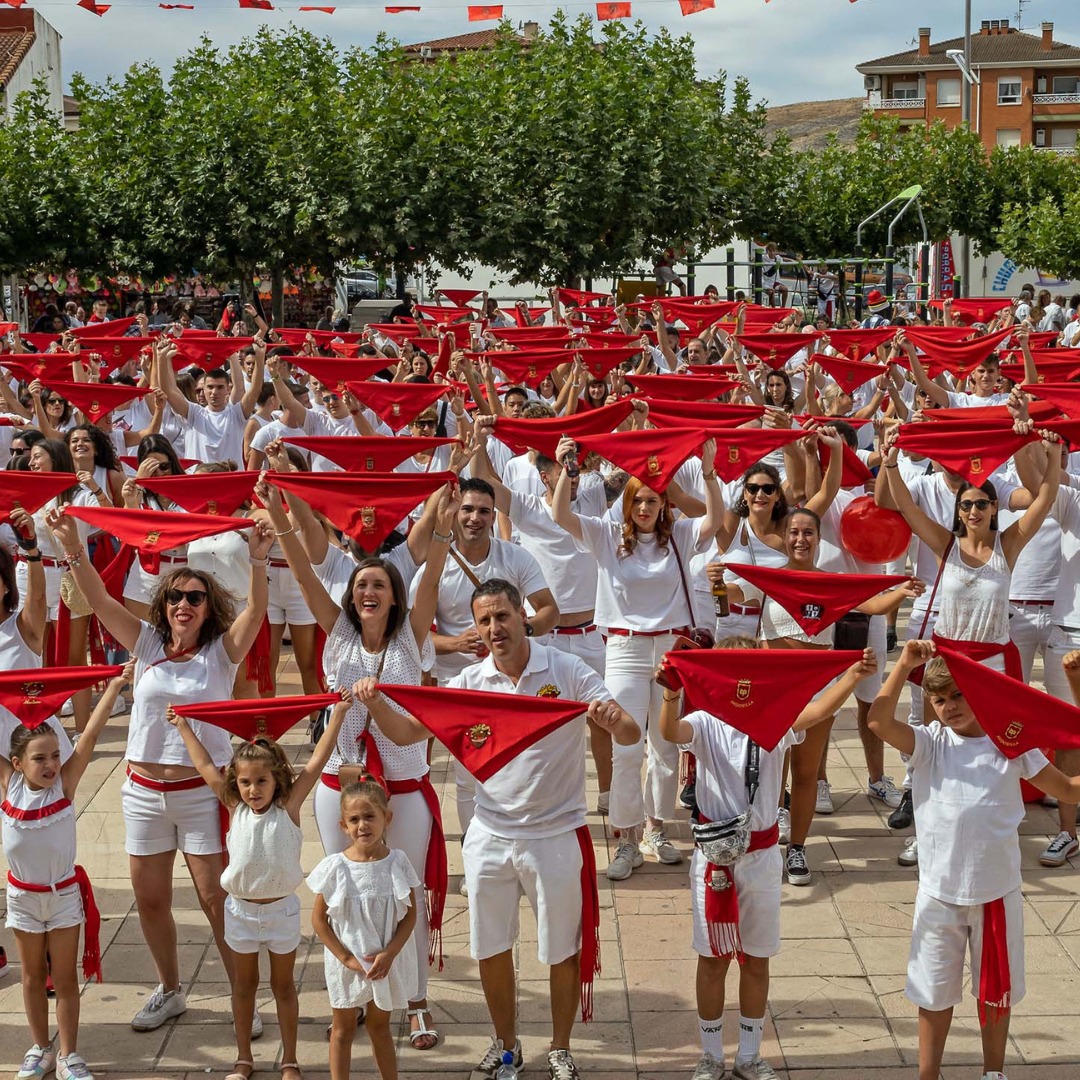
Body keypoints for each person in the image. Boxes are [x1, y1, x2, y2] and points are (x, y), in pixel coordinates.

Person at [355, 579, 640, 1080]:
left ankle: (560, 1050)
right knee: (490, 948)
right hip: (489, 834)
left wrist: (613, 720)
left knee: (561, 950)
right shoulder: (469, 683)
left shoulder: (567, 669)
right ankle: (507, 1047)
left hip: (555, 834)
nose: (494, 628)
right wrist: (375, 702)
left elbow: (631, 731)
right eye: (484, 621)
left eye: (502, 616)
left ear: (522, 617)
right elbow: (405, 733)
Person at [45, 506, 274, 1033]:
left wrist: (260, 559)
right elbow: (99, 600)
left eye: (195, 597)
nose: (184, 604)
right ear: (163, 605)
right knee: (150, 901)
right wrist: (72, 546)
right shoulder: (145, 642)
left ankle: (244, 997)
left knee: (216, 900)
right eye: (175, 597)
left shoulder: (222, 652)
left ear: (208, 606)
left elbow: (258, 610)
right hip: (143, 793)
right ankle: (170, 990)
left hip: (202, 795)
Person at [259, 477, 456, 1050]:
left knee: (405, 893)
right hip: (339, 784)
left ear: (394, 596)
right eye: (361, 584)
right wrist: (279, 513)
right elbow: (302, 574)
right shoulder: (338, 630)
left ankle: (415, 1003)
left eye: (379, 584)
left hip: (403, 786)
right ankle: (353, 998)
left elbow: (431, 575)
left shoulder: (411, 635)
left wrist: (443, 522)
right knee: (344, 890)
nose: (368, 590)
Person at [658, 637, 877, 1080]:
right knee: (712, 958)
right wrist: (670, 693)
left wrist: (854, 675)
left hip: (761, 858)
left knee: (756, 959)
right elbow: (669, 733)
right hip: (714, 860)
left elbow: (819, 711)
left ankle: (749, 1056)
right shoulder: (705, 721)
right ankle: (711, 1056)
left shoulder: (776, 720)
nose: (741, 685)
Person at [867, 641, 1080, 1080]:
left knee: (995, 992)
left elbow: (1069, 790)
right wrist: (904, 662)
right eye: (938, 700)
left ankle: (993, 1072)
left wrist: (1076, 687)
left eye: (958, 695)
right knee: (933, 992)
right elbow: (877, 721)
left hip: (995, 893)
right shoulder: (929, 744)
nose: (949, 707)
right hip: (938, 894)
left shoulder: (1013, 745)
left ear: (980, 692)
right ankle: (928, 1075)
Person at [719, 507, 922, 886]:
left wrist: (902, 590)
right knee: (767, 771)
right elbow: (731, 596)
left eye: (808, 532)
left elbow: (872, 604)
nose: (801, 539)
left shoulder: (832, 582)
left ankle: (797, 848)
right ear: (784, 536)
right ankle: (764, 842)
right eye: (794, 532)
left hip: (818, 690)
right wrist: (718, 582)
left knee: (806, 772)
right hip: (775, 690)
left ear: (818, 538)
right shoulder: (770, 577)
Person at [165, 691, 351, 1080]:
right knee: (244, 987)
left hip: (282, 912)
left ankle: (290, 1060)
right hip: (241, 913)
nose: (253, 790)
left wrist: (337, 715)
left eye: (261, 781)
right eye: (246, 782)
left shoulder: (289, 806)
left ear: (277, 779)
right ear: (236, 783)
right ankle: (243, 1059)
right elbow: (204, 764)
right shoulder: (234, 808)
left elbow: (316, 762)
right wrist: (183, 726)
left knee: (283, 987)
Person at [3, 666, 130, 1080]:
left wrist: (114, 686)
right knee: (32, 977)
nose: (52, 765)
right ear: (17, 763)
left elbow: (90, 734)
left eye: (56, 755)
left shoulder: (65, 785)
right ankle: (40, 1048)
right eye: (40, 758)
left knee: (64, 978)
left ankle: (69, 1055)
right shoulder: (8, 785)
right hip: (23, 898)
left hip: (62, 898)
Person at [308, 779, 420, 1080]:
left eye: (370, 816)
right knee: (343, 1029)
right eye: (354, 819)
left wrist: (390, 954)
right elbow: (318, 921)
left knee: (379, 1027)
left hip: (383, 963)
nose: (362, 825)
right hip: (347, 963)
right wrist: (346, 958)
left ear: (387, 818)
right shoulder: (336, 867)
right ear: (343, 825)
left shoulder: (397, 862)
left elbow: (410, 915)